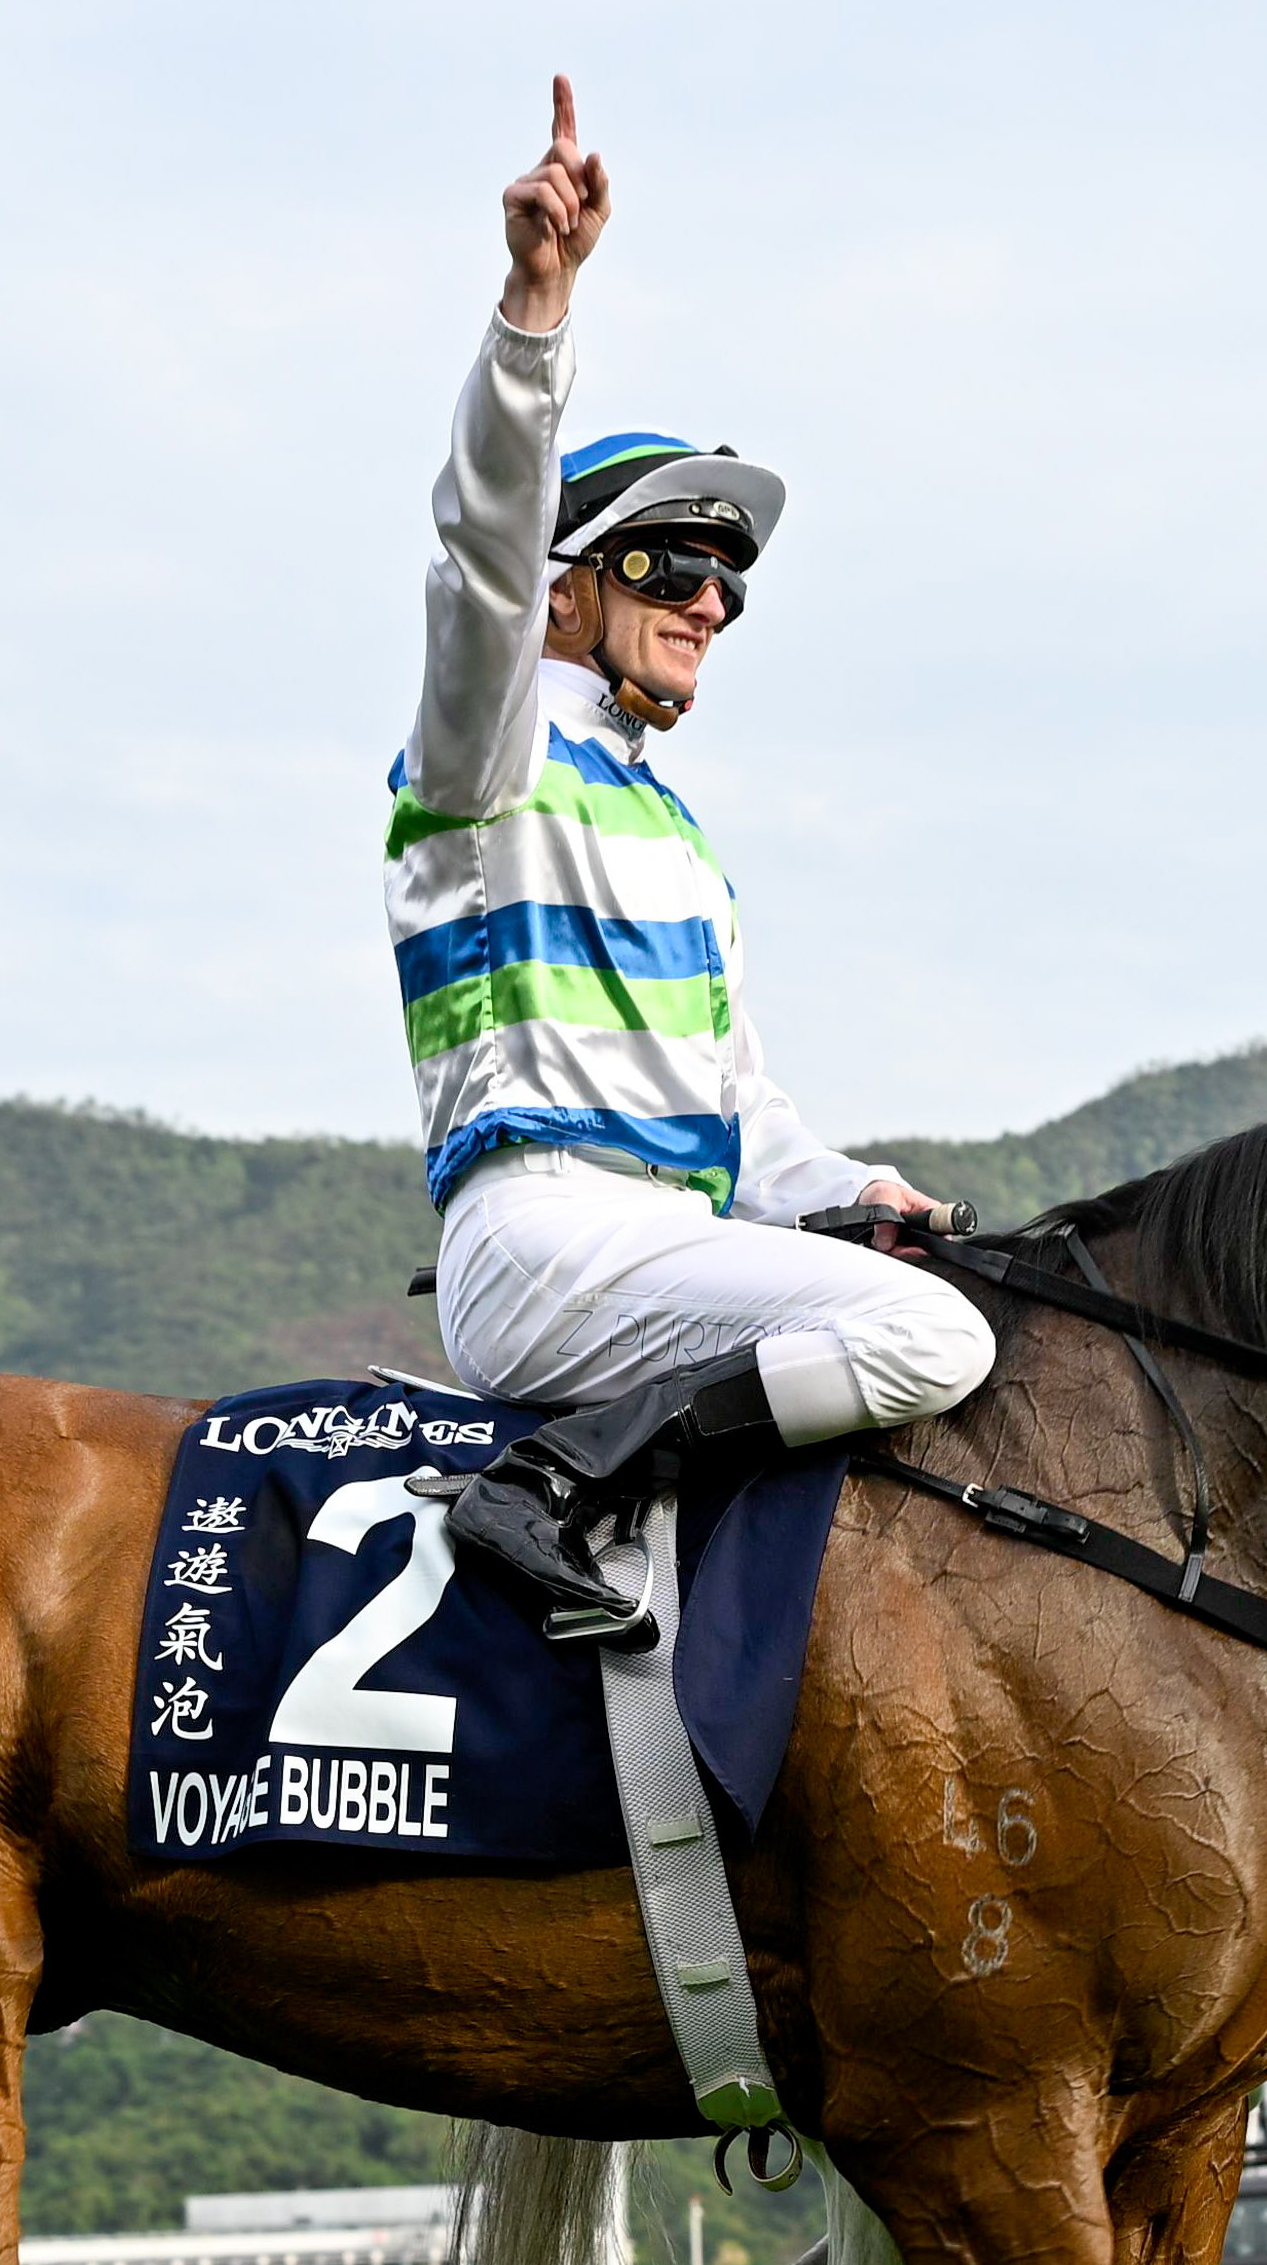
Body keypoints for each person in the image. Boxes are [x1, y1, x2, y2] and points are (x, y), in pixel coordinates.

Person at [388, 81, 988, 1645]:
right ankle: (552, 1486)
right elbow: (482, 549)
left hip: (677, 1233)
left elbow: (741, 1110)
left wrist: (854, 1189)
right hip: (547, 1236)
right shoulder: (490, 746)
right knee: (931, 1347)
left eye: (730, 581)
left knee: (974, 1311)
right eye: (669, 562)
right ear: (570, 596)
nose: (710, 600)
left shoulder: (679, 838)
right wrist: (539, 312)